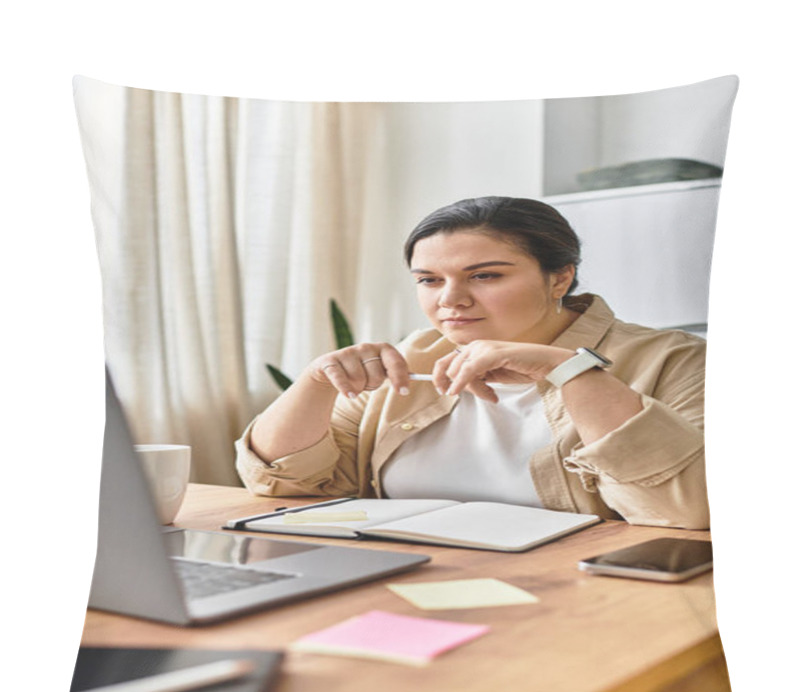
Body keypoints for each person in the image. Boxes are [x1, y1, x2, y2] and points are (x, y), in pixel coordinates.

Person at [235, 196, 708, 529]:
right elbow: (284, 485)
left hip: (590, 599)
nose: (451, 301)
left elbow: (690, 512)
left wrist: (566, 371)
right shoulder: (413, 356)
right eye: (429, 280)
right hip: (408, 579)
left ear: (560, 277)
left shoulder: (676, 360)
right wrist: (317, 381)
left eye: (484, 276)